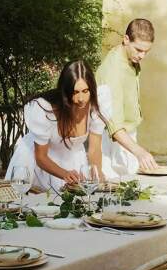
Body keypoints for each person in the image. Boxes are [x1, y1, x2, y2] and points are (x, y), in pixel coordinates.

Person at [7, 60, 107, 194]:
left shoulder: (97, 105)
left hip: (74, 160)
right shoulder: (45, 109)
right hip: (39, 163)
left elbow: (94, 149)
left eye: (85, 91)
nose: (81, 98)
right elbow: (41, 157)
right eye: (75, 92)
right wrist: (65, 174)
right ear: (65, 91)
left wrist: (97, 172)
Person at [96, 18, 157, 176]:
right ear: (126, 39)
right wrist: (139, 151)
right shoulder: (112, 72)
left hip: (128, 136)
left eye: (146, 51)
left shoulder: (130, 58)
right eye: (139, 50)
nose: (142, 56)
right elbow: (114, 126)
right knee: (115, 187)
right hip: (112, 141)